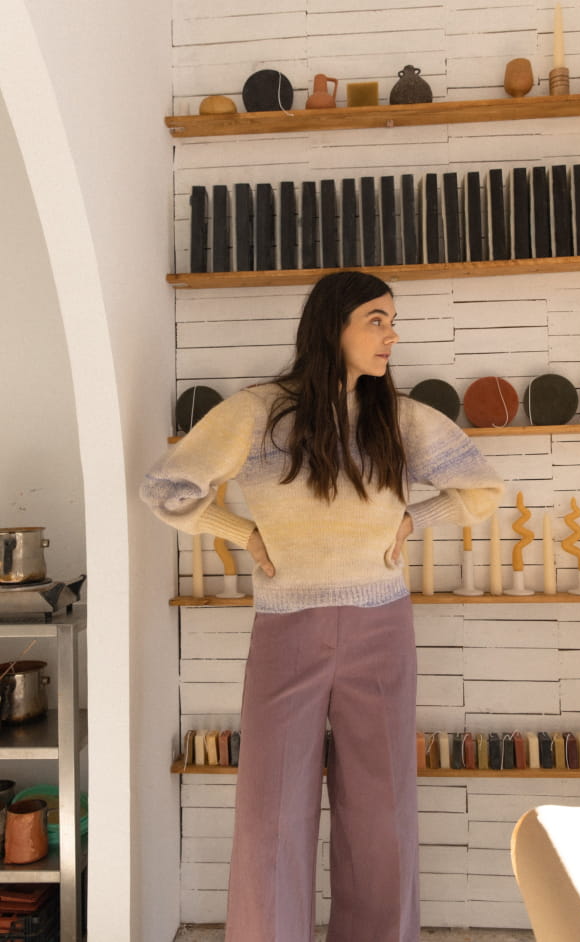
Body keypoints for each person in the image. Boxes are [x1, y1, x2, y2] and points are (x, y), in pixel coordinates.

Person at [141, 270, 503, 942]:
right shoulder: (257, 413)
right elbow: (167, 488)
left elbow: (481, 488)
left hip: (381, 626)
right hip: (288, 628)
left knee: (382, 805)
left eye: (393, 321)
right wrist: (242, 532)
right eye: (376, 320)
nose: (392, 335)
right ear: (332, 325)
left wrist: (415, 520)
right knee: (271, 807)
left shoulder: (400, 418)